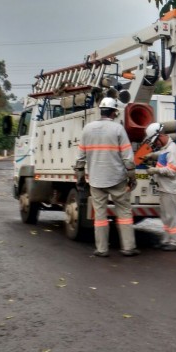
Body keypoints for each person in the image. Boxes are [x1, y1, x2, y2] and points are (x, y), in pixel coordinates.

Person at [75, 97, 139, 258]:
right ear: (114, 112)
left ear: (101, 111)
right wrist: (132, 178)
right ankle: (128, 248)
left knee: (100, 215)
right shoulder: (118, 129)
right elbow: (128, 158)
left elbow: (80, 159)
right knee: (124, 212)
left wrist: (80, 179)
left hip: (96, 180)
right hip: (117, 178)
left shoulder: (87, 129)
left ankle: (102, 249)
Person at [144, 122, 176, 251]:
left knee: (172, 216)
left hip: (170, 189)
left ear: (160, 136)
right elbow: (162, 154)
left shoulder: (173, 149)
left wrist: (155, 171)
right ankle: (167, 239)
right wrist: (152, 155)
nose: (156, 145)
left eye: (156, 142)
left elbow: (172, 171)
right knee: (166, 216)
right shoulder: (167, 148)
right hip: (164, 188)